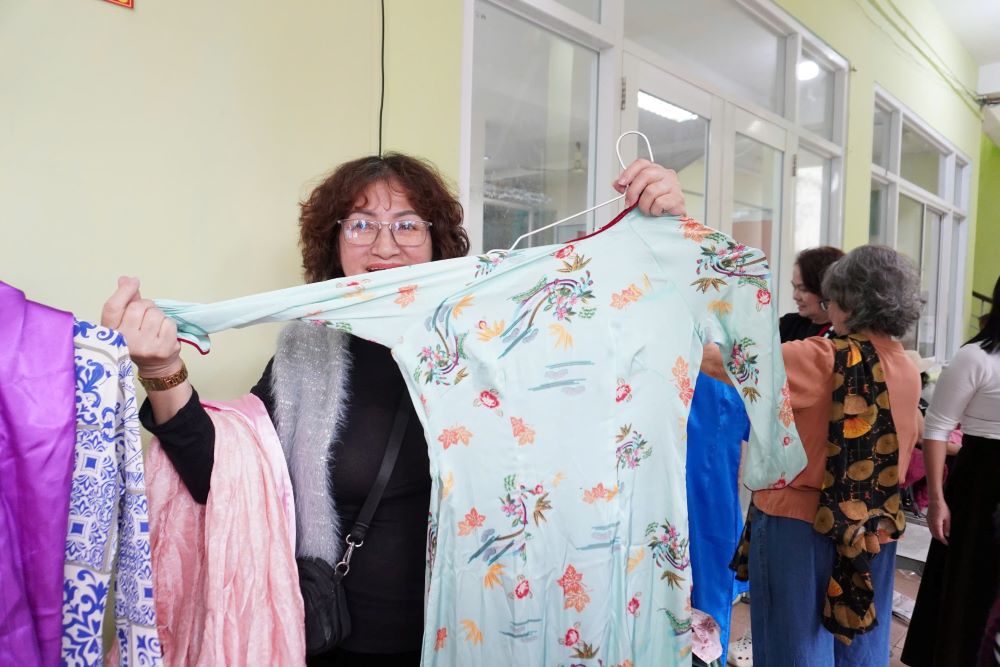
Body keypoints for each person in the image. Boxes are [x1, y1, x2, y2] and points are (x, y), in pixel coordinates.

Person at [101, 153, 687, 667]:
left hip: (489, 633)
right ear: (334, 244)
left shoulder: (502, 342)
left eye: (407, 223)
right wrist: (160, 369)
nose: (385, 245)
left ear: (439, 240)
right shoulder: (309, 351)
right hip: (337, 639)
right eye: (361, 225)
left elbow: (627, 363)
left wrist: (660, 236)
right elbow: (223, 474)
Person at [706, 245, 923, 665]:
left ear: (846, 300)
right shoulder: (906, 368)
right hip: (870, 531)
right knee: (858, 645)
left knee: (794, 647)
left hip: (800, 526)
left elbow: (720, 363)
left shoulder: (821, 358)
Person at [902, 274, 1000, 667]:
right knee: (969, 585)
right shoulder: (976, 357)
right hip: (980, 483)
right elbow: (938, 428)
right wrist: (938, 501)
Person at [780, 246, 845, 342]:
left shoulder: (843, 336)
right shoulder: (788, 323)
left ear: (827, 290)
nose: (795, 297)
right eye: (794, 287)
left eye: (803, 289)